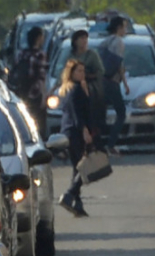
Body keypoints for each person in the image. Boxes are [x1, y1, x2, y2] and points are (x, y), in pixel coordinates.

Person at [57, 59, 93, 218]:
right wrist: (85, 130)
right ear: (71, 73)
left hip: (67, 131)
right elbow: (78, 113)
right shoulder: (75, 89)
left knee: (77, 167)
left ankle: (78, 205)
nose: (82, 74)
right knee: (83, 167)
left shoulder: (67, 89)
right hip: (76, 132)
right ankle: (69, 194)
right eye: (79, 71)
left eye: (83, 71)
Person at [66, 29, 105, 142]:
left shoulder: (92, 55)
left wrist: (87, 76)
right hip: (73, 85)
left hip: (90, 85)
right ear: (75, 41)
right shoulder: (70, 55)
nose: (84, 41)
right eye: (81, 39)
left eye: (85, 39)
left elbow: (100, 71)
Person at [100, 16, 129, 155]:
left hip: (101, 81)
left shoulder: (104, 42)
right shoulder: (119, 43)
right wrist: (124, 83)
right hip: (112, 82)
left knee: (100, 113)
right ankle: (111, 143)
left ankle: (98, 143)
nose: (125, 30)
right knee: (121, 113)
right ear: (119, 28)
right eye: (124, 27)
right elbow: (118, 64)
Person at [18, 26, 48, 138]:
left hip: (21, 94)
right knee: (39, 125)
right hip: (35, 95)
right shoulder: (40, 55)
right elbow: (41, 77)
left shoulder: (22, 54)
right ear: (39, 38)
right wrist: (43, 95)